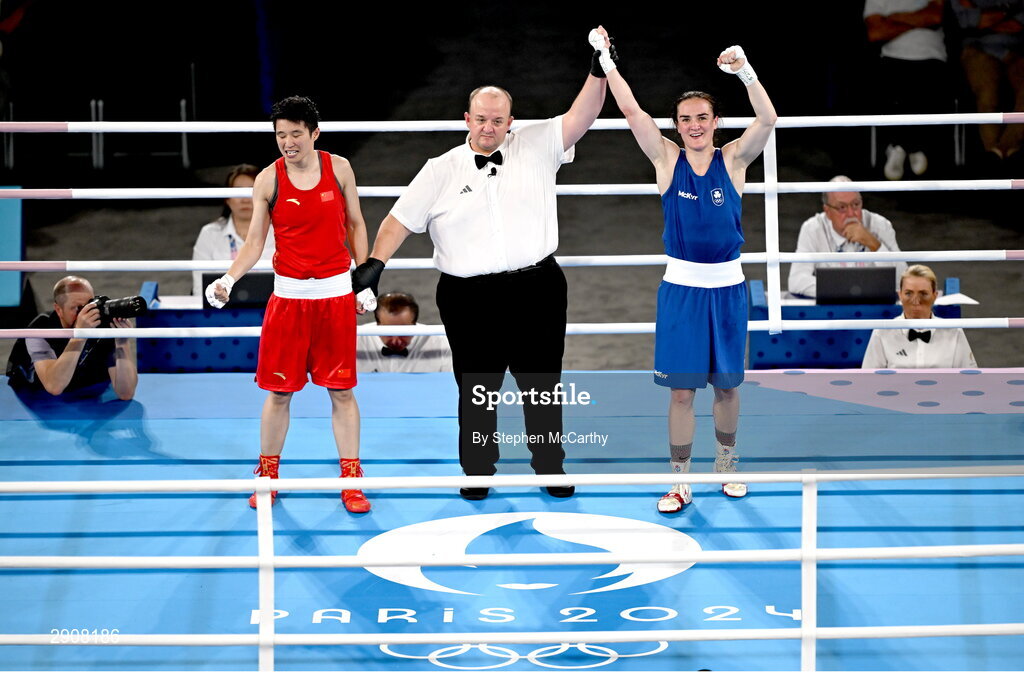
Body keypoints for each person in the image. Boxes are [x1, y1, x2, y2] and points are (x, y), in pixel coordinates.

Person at [351, 46, 608, 501]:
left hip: (538, 286)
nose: (489, 127)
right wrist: (375, 263)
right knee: (476, 386)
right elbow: (397, 221)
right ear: (467, 119)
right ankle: (477, 469)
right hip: (468, 296)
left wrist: (598, 69)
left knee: (542, 383)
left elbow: (582, 115)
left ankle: (550, 464)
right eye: (482, 119)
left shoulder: (537, 143)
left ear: (511, 121)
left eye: (498, 120)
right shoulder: (439, 170)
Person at [598, 26, 777, 512]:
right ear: (676, 125)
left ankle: (727, 464)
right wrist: (607, 61)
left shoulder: (734, 159)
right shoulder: (666, 159)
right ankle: (679, 481)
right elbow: (632, 112)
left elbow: (768, 119)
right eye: (685, 119)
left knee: (727, 386)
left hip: (728, 288)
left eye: (702, 117)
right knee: (681, 392)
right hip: (681, 290)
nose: (694, 125)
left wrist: (745, 72)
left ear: (716, 122)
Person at [205, 95, 373, 513]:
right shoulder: (268, 179)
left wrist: (365, 278)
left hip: (335, 296)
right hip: (290, 300)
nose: (287, 142)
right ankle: (267, 476)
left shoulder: (340, 168)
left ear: (315, 133)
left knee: (342, 391)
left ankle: (352, 480)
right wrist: (228, 278)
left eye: (296, 133)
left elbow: (356, 224)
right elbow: (254, 243)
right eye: (281, 134)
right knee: (279, 393)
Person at [5, 276, 137, 399]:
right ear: (59, 310)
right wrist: (80, 336)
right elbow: (54, 387)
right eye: (78, 308)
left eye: (89, 305)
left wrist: (122, 343)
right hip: (39, 394)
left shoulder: (102, 324)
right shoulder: (40, 329)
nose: (85, 313)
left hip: (87, 390)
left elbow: (126, 393)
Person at [864, 0, 948, 180]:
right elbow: (876, 32)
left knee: (928, 86)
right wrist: (920, 19)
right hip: (891, 60)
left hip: (932, 60)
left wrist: (894, 19)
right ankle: (913, 147)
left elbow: (935, 16)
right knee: (893, 85)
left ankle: (899, 147)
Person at [788, 176, 907, 298]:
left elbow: (904, 282)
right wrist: (846, 290)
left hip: (875, 305)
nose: (851, 213)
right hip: (833, 305)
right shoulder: (812, 229)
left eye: (855, 204)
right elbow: (797, 280)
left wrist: (874, 244)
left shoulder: (881, 225)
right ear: (827, 211)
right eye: (842, 207)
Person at [950, 0, 1024, 168]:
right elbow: (964, 19)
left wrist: (986, 21)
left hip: (1017, 51)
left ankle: (1000, 152)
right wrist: (1008, 10)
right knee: (987, 95)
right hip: (977, 49)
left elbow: (1019, 22)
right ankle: (996, 163)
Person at [862, 264, 977, 368]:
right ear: (900, 295)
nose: (916, 300)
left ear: (935, 295)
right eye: (908, 293)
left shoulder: (954, 332)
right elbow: (868, 380)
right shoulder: (881, 333)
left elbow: (970, 378)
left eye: (923, 294)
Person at [191, 164, 276, 297]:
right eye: (238, 191)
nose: (245, 199)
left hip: (271, 307)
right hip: (221, 308)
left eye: (251, 190)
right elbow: (199, 289)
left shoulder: (281, 232)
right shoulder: (209, 234)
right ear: (227, 199)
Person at [356, 292, 452, 373]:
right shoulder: (356, 340)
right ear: (378, 324)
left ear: (414, 324)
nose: (396, 341)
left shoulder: (441, 342)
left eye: (403, 332)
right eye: (388, 333)